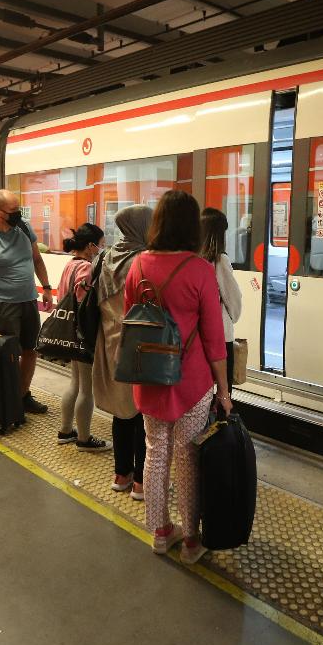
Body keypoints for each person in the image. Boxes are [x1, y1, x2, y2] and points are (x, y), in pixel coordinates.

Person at [124, 190, 230, 564]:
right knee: (187, 457)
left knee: (155, 454)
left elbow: (130, 320)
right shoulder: (200, 269)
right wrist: (225, 390)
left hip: (149, 375)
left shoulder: (137, 266)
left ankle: (159, 531)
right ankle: (189, 540)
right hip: (191, 381)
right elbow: (214, 339)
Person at [0, 189, 54, 415]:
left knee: (30, 350)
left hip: (28, 301)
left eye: (19, 209)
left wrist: (46, 287)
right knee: (7, 355)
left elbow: (37, 258)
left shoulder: (24, 227)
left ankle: (22, 395)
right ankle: (5, 399)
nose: (19, 215)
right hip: (2, 305)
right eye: (14, 211)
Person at [94, 205, 152, 501]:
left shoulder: (107, 256)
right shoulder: (144, 259)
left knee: (121, 412)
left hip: (109, 341)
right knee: (143, 412)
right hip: (139, 343)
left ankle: (121, 474)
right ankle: (142, 482)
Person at [55, 223, 110, 452]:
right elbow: (84, 304)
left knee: (74, 382)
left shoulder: (70, 265)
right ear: (91, 246)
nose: (102, 249)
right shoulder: (87, 268)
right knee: (86, 388)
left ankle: (66, 431)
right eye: (101, 244)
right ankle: (84, 439)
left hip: (68, 331)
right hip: (82, 334)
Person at [200, 208, 243, 393]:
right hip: (221, 336)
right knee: (224, 391)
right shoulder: (219, 260)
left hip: (198, 335)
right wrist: (234, 316)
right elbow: (233, 298)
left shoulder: (193, 258)